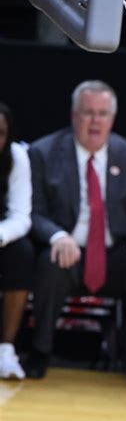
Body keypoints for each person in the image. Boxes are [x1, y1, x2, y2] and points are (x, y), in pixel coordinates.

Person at [25, 80, 126, 379]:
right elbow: (34, 211)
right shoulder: (43, 152)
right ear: (73, 115)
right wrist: (56, 234)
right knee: (49, 264)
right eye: (88, 113)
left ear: (112, 118)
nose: (95, 121)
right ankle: (39, 352)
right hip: (69, 249)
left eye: (102, 113)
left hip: (117, 250)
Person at [0, 102, 35, 380]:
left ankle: (6, 349)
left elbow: (22, 216)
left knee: (22, 253)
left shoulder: (16, 157)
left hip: (2, 235)